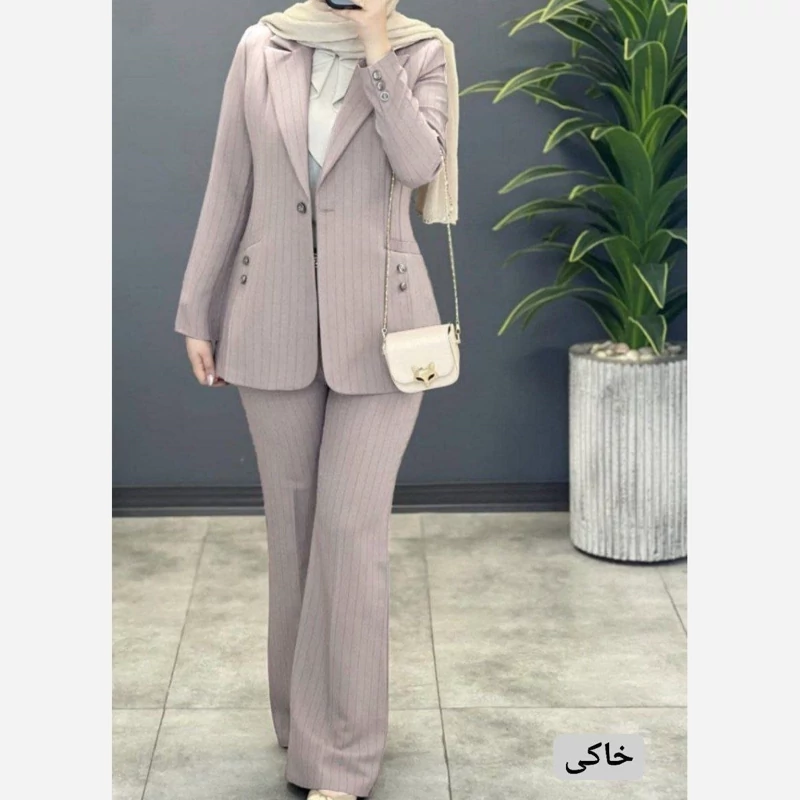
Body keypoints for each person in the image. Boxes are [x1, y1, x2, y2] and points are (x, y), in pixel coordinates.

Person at [174, 2, 459, 797]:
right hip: (269, 319)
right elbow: (229, 181)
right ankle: (301, 719)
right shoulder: (261, 47)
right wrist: (197, 310)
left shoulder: (422, 51)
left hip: (384, 329)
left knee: (349, 532)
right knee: (293, 533)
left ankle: (342, 754)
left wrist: (376, 46)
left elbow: (419, 164)